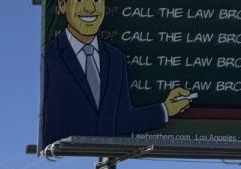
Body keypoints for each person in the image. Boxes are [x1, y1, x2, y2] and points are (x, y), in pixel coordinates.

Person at [41, 0, 192, 149]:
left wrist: (165, 108)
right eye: (80, 0)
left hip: (103, 154)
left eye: (97, 0)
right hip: (66, 162)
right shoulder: (48, 56)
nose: (89, 8)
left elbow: (122, 120)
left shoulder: (115, 57)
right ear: (62, 5)